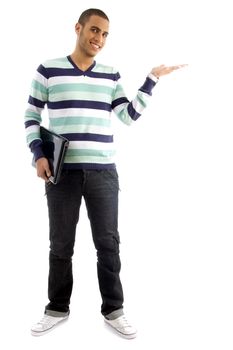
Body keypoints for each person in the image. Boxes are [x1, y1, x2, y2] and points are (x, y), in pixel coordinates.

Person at [24, 8, 186, 339]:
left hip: (103, 173)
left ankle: (114, 309)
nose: (99, 38)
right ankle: (57, 307)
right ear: (78, 28)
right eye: (94, 30)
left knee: (108, 244)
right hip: (61, 173)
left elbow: (127, 117)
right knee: (60, 244)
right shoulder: (48, 69)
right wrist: (38, 154)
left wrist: (150, 80)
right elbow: (30, 114)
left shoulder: (110, 75)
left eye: (105, 34)